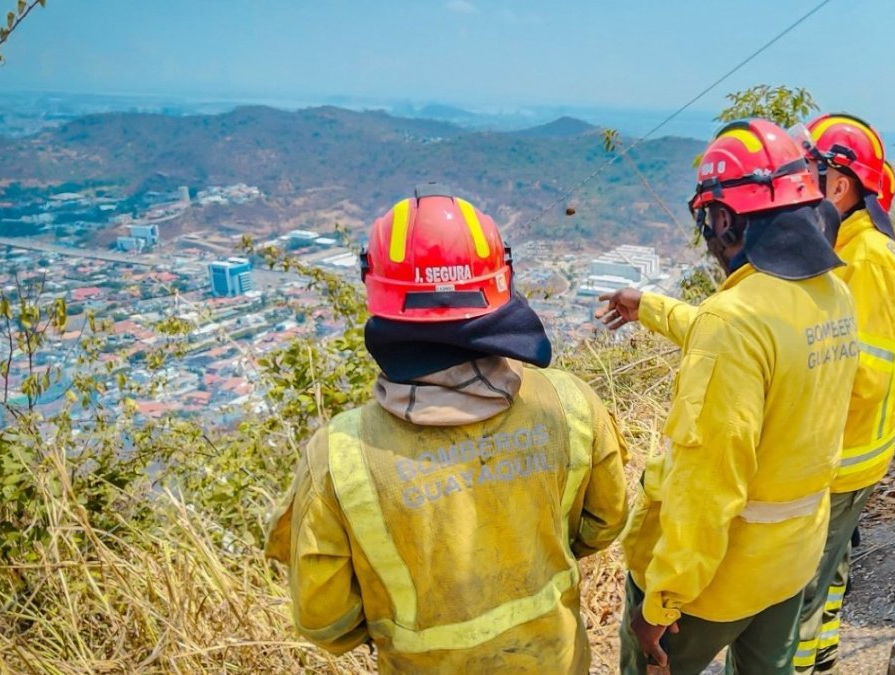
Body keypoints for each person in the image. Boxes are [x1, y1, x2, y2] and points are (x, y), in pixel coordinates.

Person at [265, 185, 630, 674]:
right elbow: (605, 522)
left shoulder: (340, 454)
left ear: (376, 292)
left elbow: (324, 620)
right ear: (502, 280)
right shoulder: (568, 402)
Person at [598, 119, 860, 675]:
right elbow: (756, 347)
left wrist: (662, 600)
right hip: (790, 563)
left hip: (712, 587)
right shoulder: (832, 295)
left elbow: (707, 484)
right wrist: (647, 306)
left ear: (724, 218)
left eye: (708, 222)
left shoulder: (735, 322)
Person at [786, 113, 895, 674]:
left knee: (801, 584)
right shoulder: (852, 247)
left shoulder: (867, 260)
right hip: (847, 452)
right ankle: (824, 658)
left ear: (839, 185)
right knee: (830, 568)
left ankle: (800, 662)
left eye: (808, 175)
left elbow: (865, 375)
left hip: (843, 455)